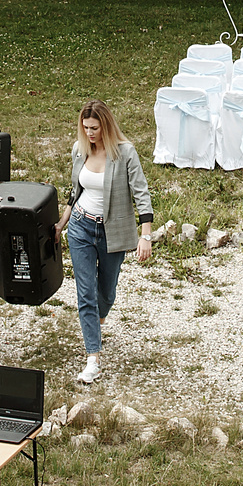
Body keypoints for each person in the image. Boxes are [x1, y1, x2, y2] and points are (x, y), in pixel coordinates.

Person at [64, 99, 154, 384]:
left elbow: (141, 194)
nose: (89, 133)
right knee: (85, 293)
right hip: (80, 227)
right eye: (85, 127)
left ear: (106, 125)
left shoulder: (125, 153)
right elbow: (74, 190)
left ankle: (97, 323)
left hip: (112, 231)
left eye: (94, 127)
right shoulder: (80, 150)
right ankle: (93, 358)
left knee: (107, 292)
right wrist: (61, 223)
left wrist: (146, 236)